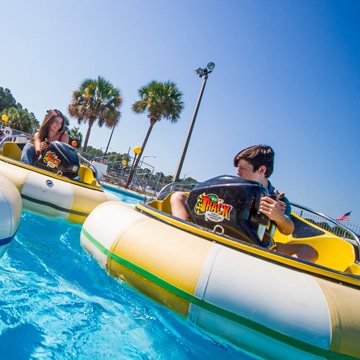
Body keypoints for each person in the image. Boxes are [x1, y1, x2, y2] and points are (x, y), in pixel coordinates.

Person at [171, 145, 318, 262]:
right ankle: (183, 236)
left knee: (309, 251)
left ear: (261, 170)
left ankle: (278, 273)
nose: (238, 173)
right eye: (238, 168)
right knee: (178, 196)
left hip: (256, 246)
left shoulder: (278, 199)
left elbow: (288, 230)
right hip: (217, 231)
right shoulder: (232, 187)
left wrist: (278, 216)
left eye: (242, 168)